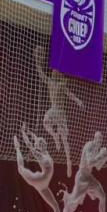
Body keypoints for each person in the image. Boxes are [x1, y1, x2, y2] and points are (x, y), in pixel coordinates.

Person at [34, 45, 83, 177]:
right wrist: (37, 61)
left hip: (61, 113)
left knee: (65, 140)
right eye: (53, 72)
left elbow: (71, 95)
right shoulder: (50, 82)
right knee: (45, 121)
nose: (54, 74)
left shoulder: (62, 85)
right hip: (53, 109)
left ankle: (68, 162)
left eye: (56, 72)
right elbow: (41, 74)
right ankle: (55, 136)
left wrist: (78, 101)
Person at [62, 133, 107, 212]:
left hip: (89, 177)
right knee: (73, 204)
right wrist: (100, 156)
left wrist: (105, 158)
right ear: (94, 138)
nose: (100, 142)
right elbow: (89, 163)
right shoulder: (89, 146)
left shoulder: (98, 149)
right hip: (81, 178)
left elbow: (98, 167)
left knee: (103, 197)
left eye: (101, 140)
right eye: (98, 139)